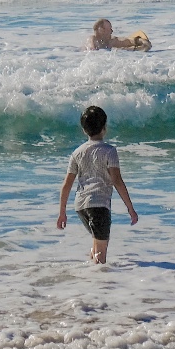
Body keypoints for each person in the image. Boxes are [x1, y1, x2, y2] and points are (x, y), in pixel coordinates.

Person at [57, 104, 138, 264]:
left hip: (81, 206)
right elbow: (117, 180)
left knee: (97, 244)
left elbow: (66, 185)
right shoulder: (109, 151)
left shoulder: (77, 152)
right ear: (104, 127)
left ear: (84, 130)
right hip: (99, 205)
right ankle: (102, 285)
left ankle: (93, 281)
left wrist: (62, 213)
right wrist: (130, 208)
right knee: (102, 251)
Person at [86, 18, 151, 52]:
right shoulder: (92, 39)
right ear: (101, 30)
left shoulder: (111, 41)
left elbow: (127, 41)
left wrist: (141, 40)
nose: (111, 32)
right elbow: (91, 50)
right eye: (109, 29)